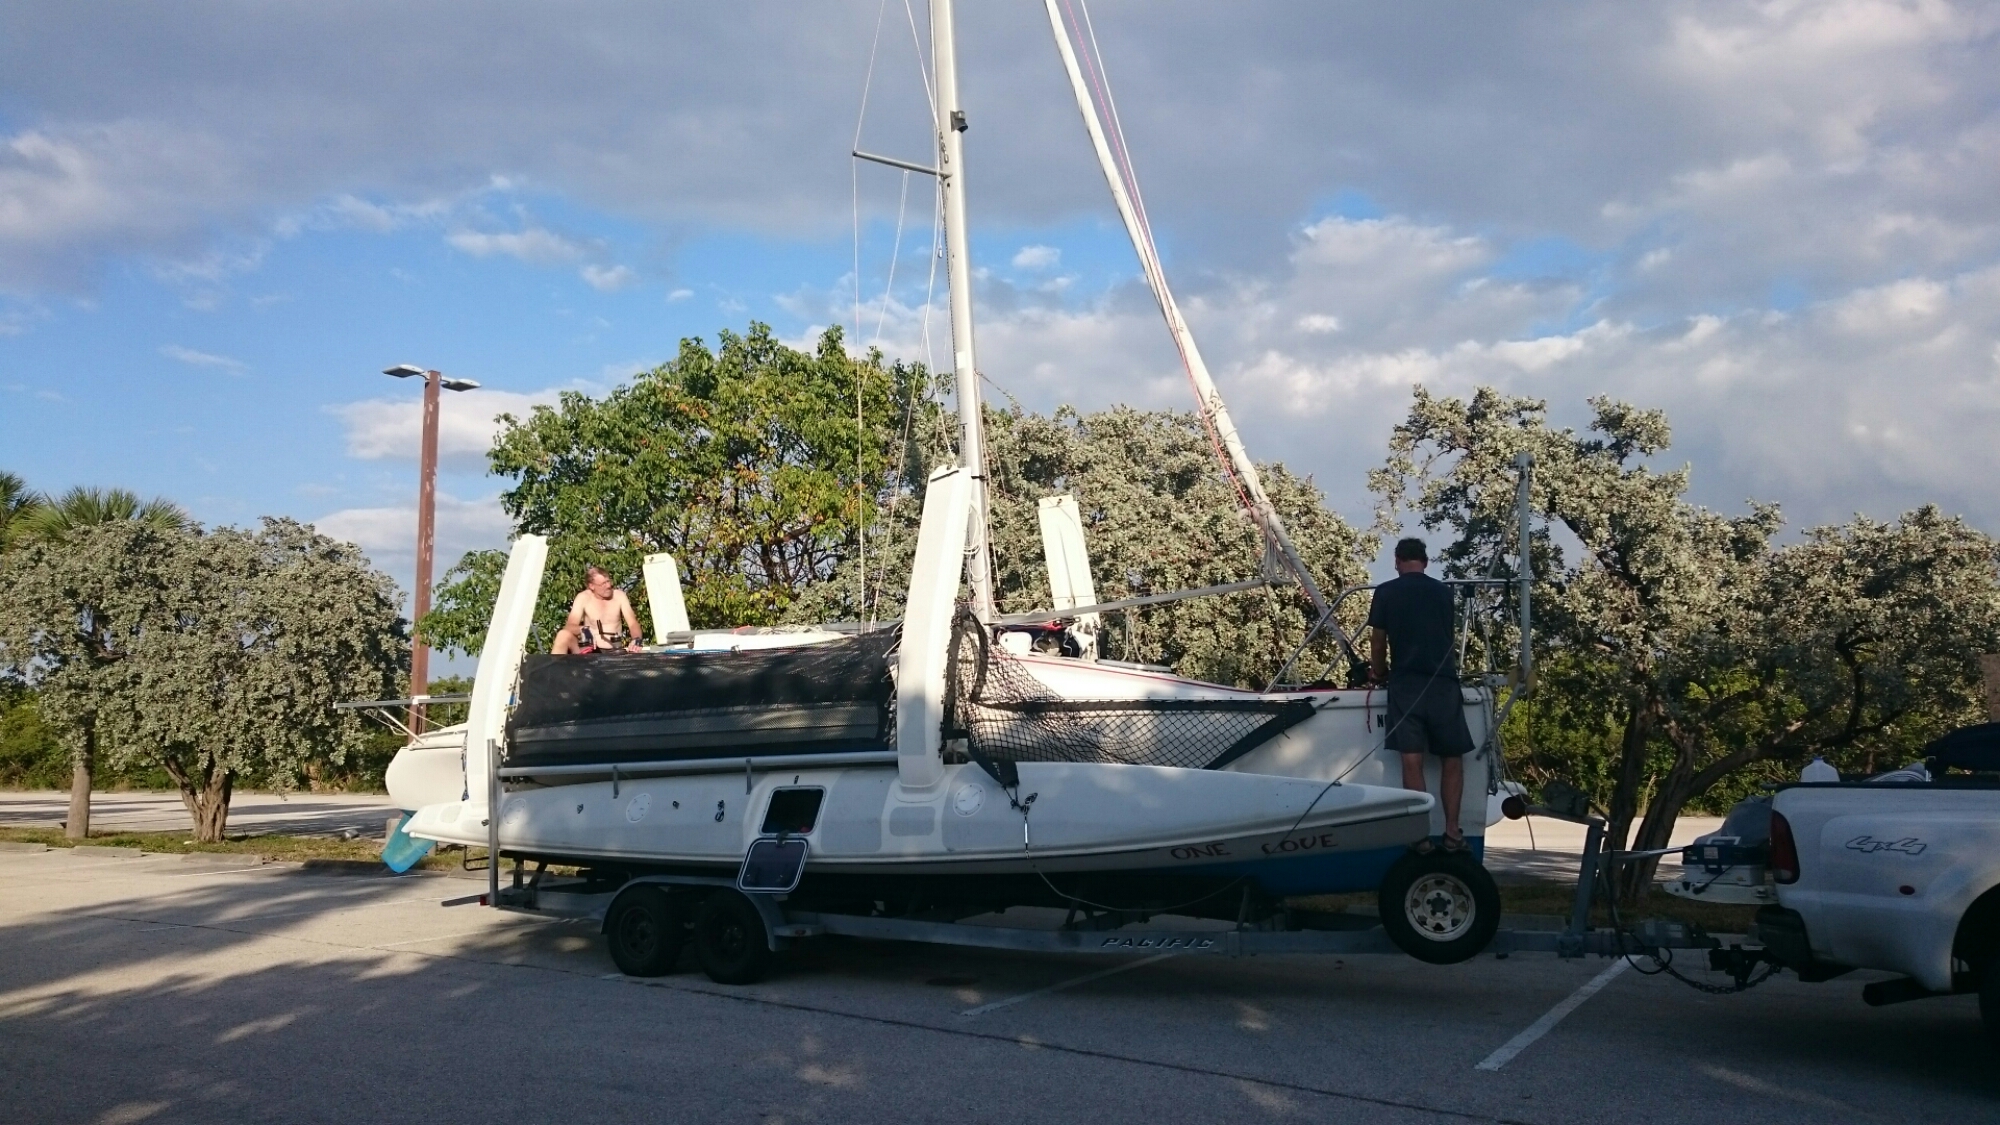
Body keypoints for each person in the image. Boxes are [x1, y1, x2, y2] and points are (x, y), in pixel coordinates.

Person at [1366, 537, 1474, 852]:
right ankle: (1452, 832)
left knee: (1411, 760)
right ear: (1425, 562)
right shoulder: (1443, 593)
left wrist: (1379, 672)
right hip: (1443, 683)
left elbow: (1378, 642)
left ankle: (1421, 836)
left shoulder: (1385, 592)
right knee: (1452, 758)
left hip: (1406, 684)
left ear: (1397, 561)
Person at [563, 565, 645, 654]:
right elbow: (569, 626)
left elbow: (633, 623)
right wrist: (584, 630)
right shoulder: (583, 598)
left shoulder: (619, 596)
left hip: (615, 650)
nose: (608, 586)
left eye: (608, 581)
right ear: (592, 586)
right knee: (563, 636)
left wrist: (637, 640)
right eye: (603, 584)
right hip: (592, 651)